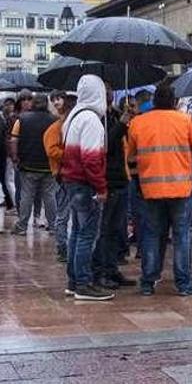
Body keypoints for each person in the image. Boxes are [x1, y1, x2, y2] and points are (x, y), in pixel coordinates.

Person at [128, 84, 192, 296]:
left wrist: (139, 182)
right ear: (174, 101)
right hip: (182, 189)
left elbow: (131, 159)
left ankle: (148, 281)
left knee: (152, 234)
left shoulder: (137, 123)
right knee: (181, 236)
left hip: (150, 190)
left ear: (154, 101)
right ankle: (183, 283)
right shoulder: (185, 121)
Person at [61, 75, 112, 301]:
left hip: (73, 182)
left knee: (77, 234)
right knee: (87, 235)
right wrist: (101, 188)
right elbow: (91, 159)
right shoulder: (91, 119)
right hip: (85, 184)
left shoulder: (73, 117)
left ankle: (74, 281)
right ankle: (83, 283)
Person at [92, 84, 136, 290]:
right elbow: (105, 144)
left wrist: (129, 119)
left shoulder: (115, 115)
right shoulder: (95, 118)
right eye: (104, 92)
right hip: (107, 179)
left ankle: (111, 269)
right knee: (105, 229)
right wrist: (121, 124)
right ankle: (100, 271)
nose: (108, 95)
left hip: (120, 177)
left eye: (109, 92)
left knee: (116, 229)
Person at [10, 94, 57, 236]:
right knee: (50, 196)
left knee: (26, 196)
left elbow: (14, 140)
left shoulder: (22, 119)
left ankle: (22, 226)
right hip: (48, 165)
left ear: (33, 104)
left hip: (28, 165)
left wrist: (15, 157)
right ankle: (53, 226)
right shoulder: (54, 120)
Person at [43, 93, 76, 261]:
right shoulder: (56, 128)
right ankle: (62, 247)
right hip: (62, 175)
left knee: (67, 213)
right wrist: (71, 155)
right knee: (63, 214)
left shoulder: (65, 126)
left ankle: (64, 247)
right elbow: (52, 151)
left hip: (70, 174)